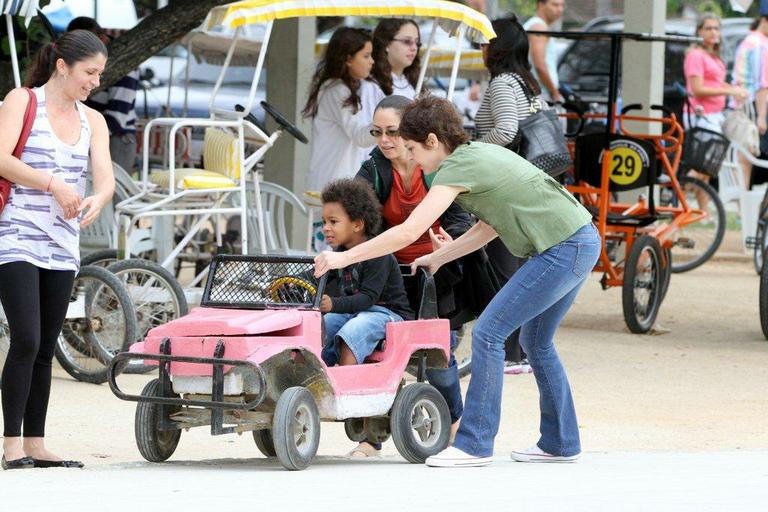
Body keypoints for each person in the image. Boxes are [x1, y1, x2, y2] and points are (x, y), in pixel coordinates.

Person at [314, 96, 600, 467]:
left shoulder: (454, 167)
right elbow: (487, 226)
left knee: (489, 334)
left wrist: (344, 256)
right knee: (535, 341)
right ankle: (560, 442)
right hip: (579, 240)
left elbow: (409, 230)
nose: (413, 158)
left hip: (563, 247)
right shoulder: (477, 154)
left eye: (414, 148)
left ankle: (474, 444)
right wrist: (438, 256)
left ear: (432, 142)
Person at [356, 95, 500, 449]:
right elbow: (357, 219)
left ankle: (453, 426)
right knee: (377, 350)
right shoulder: (373, 168)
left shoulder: (436, 165)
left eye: (392, 132)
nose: (385, 141)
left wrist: (448, 242)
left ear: (412, 133)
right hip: (390, 275)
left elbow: (460, 218)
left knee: (438, 358)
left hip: (439, 273)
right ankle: (372, 439)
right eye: (377, 132)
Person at [0, 30, 115, 470]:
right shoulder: (22, 101)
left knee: (47, 344)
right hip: (16, 233)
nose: (95, 82)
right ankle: (11, 444)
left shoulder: (94, 121)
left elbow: (103, 177)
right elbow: (1, 155)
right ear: (63, 65)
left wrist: (97, 199)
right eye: (90, 72)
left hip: (62, 240)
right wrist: (53, 183)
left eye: (99, 74)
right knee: (26, 338)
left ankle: (35, 443)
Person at [317, 178, 414, 457]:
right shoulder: (340, 253)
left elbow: (367, 299)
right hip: (357, 311)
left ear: (357, 224)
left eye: (333, 221)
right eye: (325, 221)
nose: (326, 228)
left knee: (353, 330)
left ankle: (351, 397)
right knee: (322, 326)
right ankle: (321, 378)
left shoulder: (379, 254)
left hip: (388, 313)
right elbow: (324, 281)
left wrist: (332, 303)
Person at [475, 16, 549, 375]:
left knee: (504, 268)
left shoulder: (503, 83)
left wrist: (472, 147)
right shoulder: (525, 82)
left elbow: (505, 130)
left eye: (485, 41)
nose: (481, 48)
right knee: (516, 267)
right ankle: (518, 352)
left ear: (497, 47)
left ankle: (509, 354)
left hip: (506, 187)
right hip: (525, 185)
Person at [303, 27, 383, 194]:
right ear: (348, 59)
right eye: (366, 56)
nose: (372, 61)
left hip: (332, 180)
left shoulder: (335, 87)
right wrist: (386, 123)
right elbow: (360, 137)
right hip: (333, 183)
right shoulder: (338, 91)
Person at [67, 17, 139, 175]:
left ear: (101, 38)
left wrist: (83, 140)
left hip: (117, 139)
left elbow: (116, 118)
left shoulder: (124, 67)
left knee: (114, 194)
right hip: (92, 135)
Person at [731, 14, 768, 188]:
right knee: (750, 158)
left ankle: (742, 204)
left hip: (740, 105)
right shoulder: (762, 44)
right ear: (764, 21)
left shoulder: (746, 41)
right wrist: (761, 116)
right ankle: (747, 207)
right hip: (755, 106)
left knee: (744, 158)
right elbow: (763, 84)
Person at [523, 0, 565, 103]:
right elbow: (539, 64)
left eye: (562, 5)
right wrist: (555, 93)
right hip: (540, 94)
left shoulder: (536, 25)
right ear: (541, 4)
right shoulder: (538, 26)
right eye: (555, 5)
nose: (560, 9)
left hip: (537, 92)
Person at [370, 19, 422, 99]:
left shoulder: (416, 83)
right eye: (407, 41)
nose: (414, 48)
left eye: (417, 43)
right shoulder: (372, 85)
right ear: (387, 43)